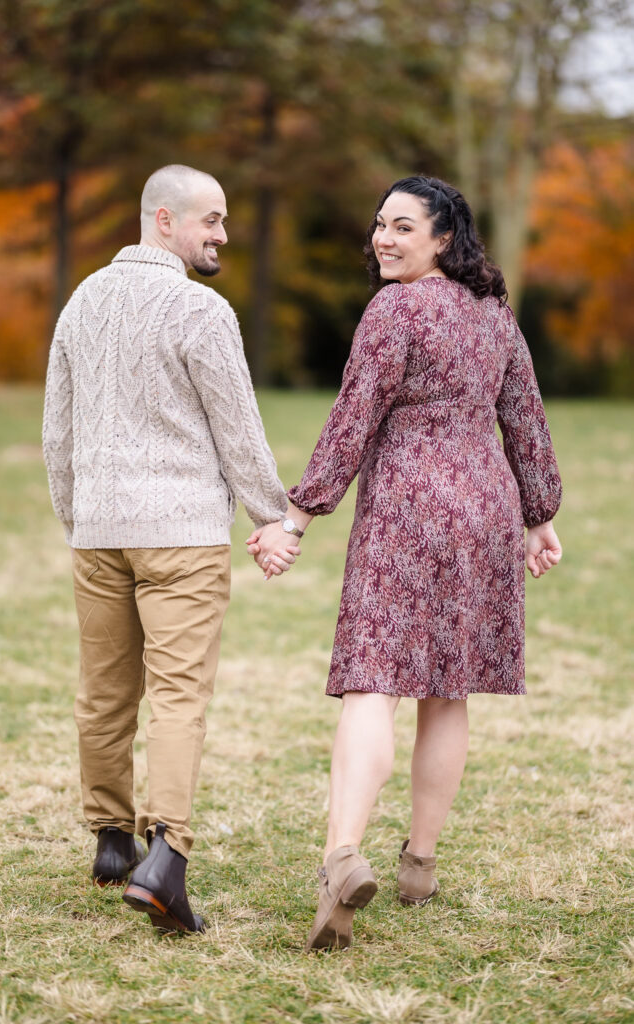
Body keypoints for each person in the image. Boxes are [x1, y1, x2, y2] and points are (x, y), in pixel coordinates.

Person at [247, 174, 562, 951]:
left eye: (402, 228)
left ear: (443, 238)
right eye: (378, 226)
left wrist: (297, 515)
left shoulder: (394, 310)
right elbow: (523, 413)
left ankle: (341, 858)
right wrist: (538, 512)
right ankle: (418, 863)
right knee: (448, 689)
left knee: (373, 681)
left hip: (408, 508)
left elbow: (352, 415)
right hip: (483, 509)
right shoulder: (493, 312)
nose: (382, 239)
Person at [43, 163, 299, 935]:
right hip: (181, 534)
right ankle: (167, 859)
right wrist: (276, 516)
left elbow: (58, 429)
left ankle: (112, 842)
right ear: (164, 219)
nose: (221, 233)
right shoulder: (201, 309)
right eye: (209, 219)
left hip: (101, 532)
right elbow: (237, 429)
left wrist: (79, 515)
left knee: (105, 691)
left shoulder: (82, 300)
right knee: (177, 696)